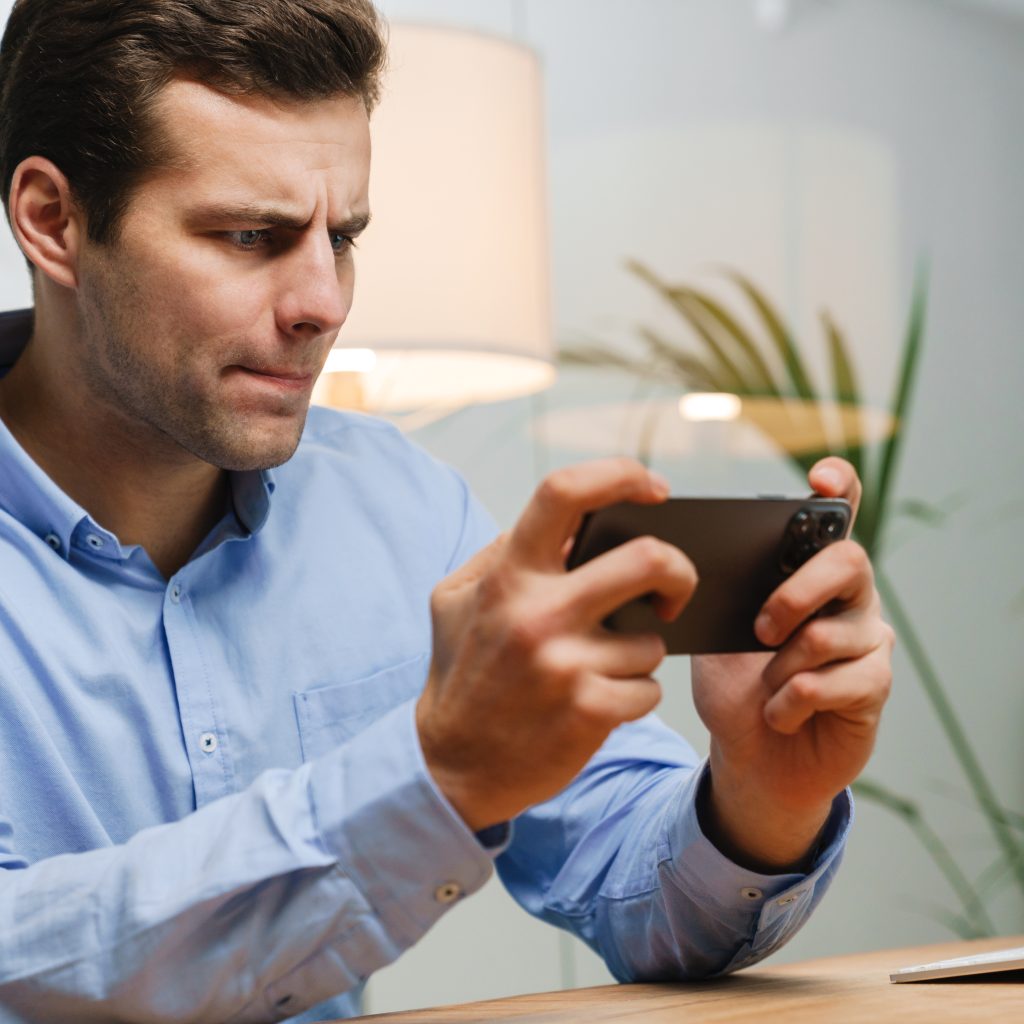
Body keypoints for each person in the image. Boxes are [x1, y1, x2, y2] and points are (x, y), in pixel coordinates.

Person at [0, 1, 894, 1021]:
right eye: (251, 235)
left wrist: (760, 796)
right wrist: (434, 774)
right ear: (52, 221)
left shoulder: (402, 508)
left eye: (340, 238)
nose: (323, 303)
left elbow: (636, 884)